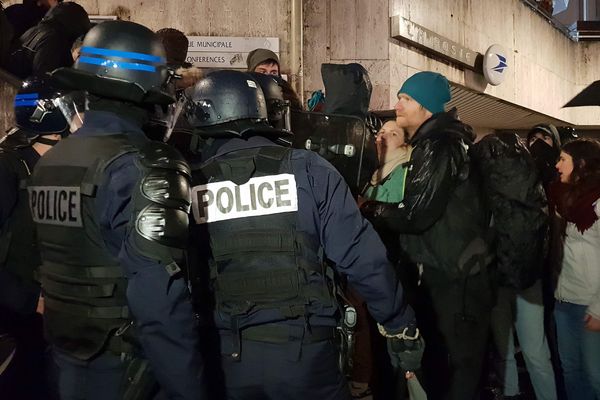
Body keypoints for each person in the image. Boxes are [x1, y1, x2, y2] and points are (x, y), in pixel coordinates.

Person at [184, 69, 421, 400]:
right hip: (306, 353)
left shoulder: (188, 185)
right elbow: (362, 258)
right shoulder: (309, 169)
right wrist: (399, 326)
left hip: (224, 359)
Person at [28, 20, 205, 400]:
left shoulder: (51, 161)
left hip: (65, 362)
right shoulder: (145, 164)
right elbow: (159, 300)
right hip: (130, 371)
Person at [361, 71, 494, 400]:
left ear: (427, 106)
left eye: (406, 99)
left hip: (455, 276)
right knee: (446, 366)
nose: (397, 105)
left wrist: (367, 209)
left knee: (456, 369)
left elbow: (416, 213)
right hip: (450, 270)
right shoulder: (435, 141)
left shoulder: (440, 143)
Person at [0, 77, 74, 400]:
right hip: (18, 315)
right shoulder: (8, 167)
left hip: (60, 310)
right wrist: (29, 300)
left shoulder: (72, 166)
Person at [474, 132, 556, 400]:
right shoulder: (529, 179)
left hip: (496, 276)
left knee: (504, 350)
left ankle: (509, 394)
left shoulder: (480, 181)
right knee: (536, 352)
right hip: (528, 277)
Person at [550, 138, 600, 400]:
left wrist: (598, 309)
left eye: (563, 159)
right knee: (570, 370)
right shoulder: (564, 199)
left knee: (595, 374)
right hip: (565, 298)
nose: (557, 165)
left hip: (591, 304)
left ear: (580, 164)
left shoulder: (596, 202)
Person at [7, 1, 90, 79]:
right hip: (29, 92)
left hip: (18, 89)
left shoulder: (34, 30)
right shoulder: (53, 39)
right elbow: (46, 79)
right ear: (75, 27)